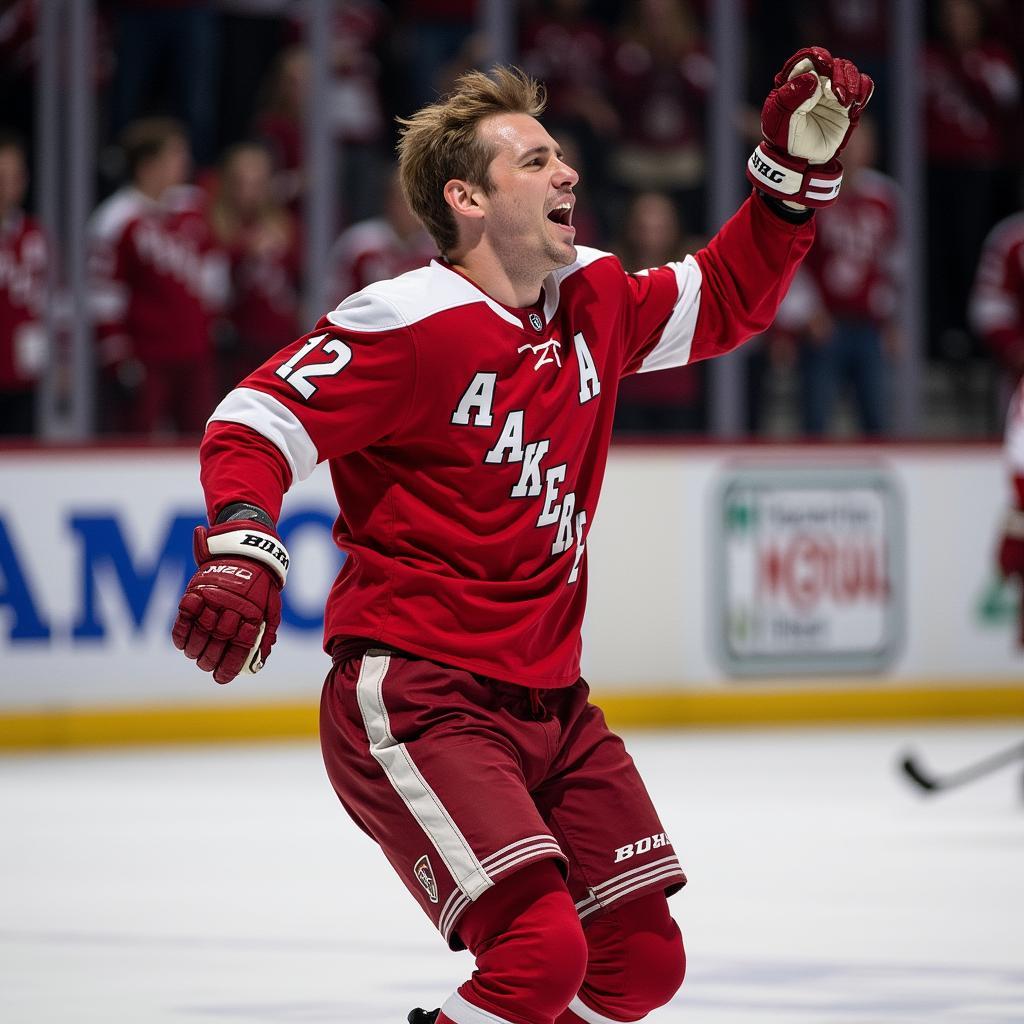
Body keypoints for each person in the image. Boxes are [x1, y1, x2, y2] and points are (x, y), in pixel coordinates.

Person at [171, 55, 871, 1024]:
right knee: (540, 953)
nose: (568, 174)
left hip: (550, 702)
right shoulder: (406, 318)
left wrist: (786, 185)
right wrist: (242, 540)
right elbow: (254, 419)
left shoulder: (591, 293)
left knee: (637, 963)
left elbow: (721, 299)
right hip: (421, 692)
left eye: (561, 157)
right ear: (464, 198)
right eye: (536, 160)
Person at [89, 118, 227, 435]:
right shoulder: (116, 218)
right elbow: (103, 293)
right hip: (146, 357)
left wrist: (214, 325)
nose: (185, 163)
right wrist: (117, 354)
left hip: (195, 352)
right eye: (175, 155)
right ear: (147, 165)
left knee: (201, 436)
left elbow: (212, 268)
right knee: (138, 438)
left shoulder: (193, 205)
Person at [209, 141, 303, 389]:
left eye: (258, 183)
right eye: (242, 182)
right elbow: (211, 290)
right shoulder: (214, 226)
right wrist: (241, 252)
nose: (250, 192)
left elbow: (300, 280)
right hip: (236, 346)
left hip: (282, 343)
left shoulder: (286, 225)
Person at [326, 166, 436, 306]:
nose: (410, 210)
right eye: (403, 201)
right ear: (388, 201)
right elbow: (335, 298)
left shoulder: (439, 248)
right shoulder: (359, 244)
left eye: (419, 201)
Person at [0, 129, 47, 436]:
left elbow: (53, 300)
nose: (7, 186)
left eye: (15, 176)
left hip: (25, 374)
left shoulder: (34, 234)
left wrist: (62, 362)